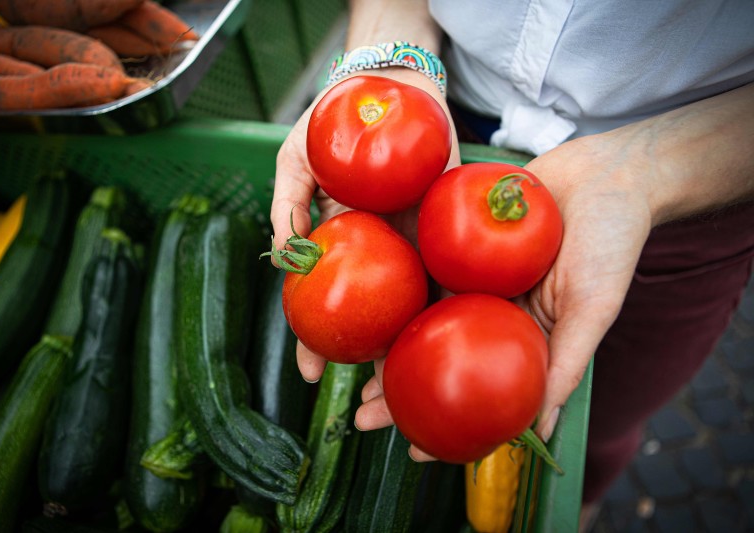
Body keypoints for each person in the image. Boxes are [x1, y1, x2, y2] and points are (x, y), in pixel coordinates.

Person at [269, 0, 754, 529]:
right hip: (439, 114)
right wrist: (388, 59)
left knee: (606, 423)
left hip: (696, 185)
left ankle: (583, 502)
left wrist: (643, 173)